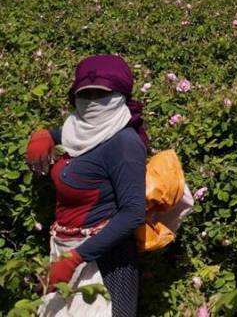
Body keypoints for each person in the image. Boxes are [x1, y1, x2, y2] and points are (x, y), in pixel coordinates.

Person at [25, 55, 148, 317]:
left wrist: (76, 259)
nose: (92, 101)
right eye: (86, 93)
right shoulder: (77, 129)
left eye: (101, 93)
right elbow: (76, 135)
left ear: (119, 94)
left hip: (104, 261)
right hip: (64, 251)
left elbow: (133, 212)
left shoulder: (124, 143)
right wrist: (44, 134)